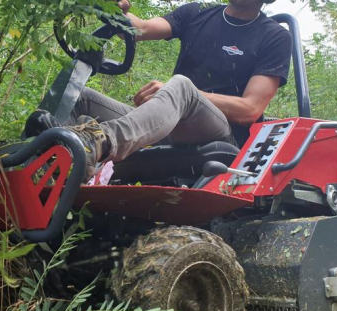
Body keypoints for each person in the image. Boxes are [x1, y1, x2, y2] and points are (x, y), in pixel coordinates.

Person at [37, 0, 292, 181]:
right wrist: (113, 9)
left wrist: (185, 93)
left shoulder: (274, 36)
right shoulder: (198, 12)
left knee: (181, 85)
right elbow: (140, 28)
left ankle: (100, 142)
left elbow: (250, 109)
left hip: (219, 133)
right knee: (81, 99)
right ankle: (55, 167)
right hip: (168, 123)